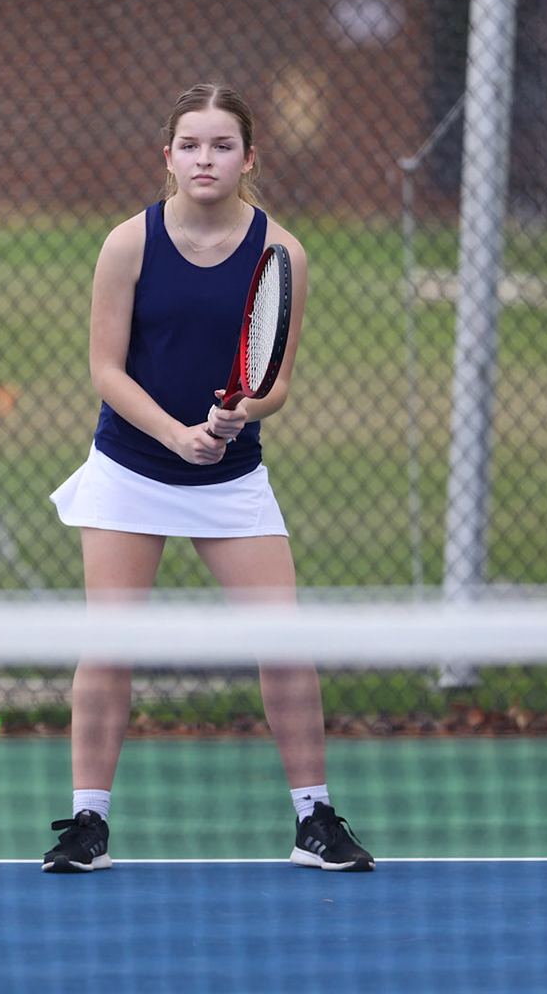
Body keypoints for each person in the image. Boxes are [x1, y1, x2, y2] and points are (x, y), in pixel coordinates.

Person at [44, 83, 374, 874]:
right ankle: (88, 825)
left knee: (284, 642)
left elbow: (278, 383)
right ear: (168, 157)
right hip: (129, 466)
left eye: (222, 145)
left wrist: (239, 415)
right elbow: (104, 369)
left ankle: (314, 821)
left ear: (249, 158)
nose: (205, 159)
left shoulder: (282, 254)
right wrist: (175, 434)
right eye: (190, 145)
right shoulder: (127, 243)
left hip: (232, 478)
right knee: (110, 644)